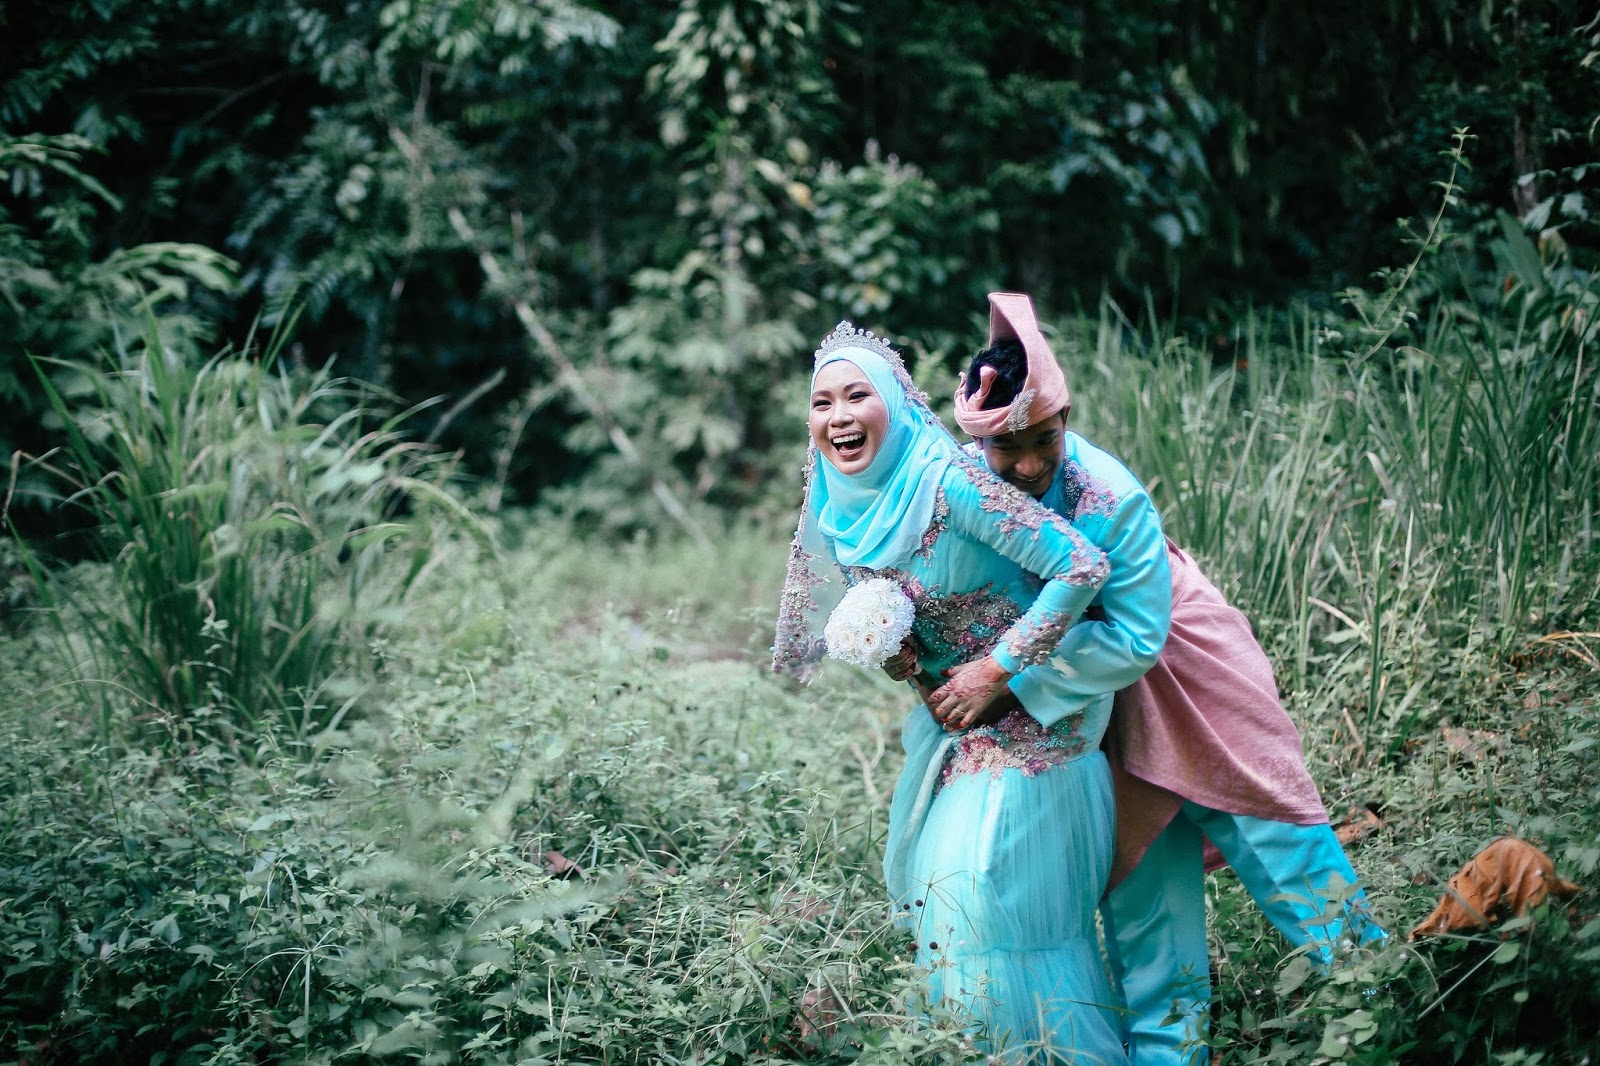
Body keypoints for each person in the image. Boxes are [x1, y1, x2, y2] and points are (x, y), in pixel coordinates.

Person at [944, 292, 1385, 1066]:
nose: (1030, 464)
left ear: (1066, 418)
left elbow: (1138, 638)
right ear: (977, 438)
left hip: (1187, 671)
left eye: (1045, 440)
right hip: (1096, 707)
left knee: (1286, 854)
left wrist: (1007, 678)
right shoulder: (968, 486)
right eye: (1007, 447)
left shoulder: (1110, 496)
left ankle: (1391, 1005)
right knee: (1145, 909)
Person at [774, 321, 1129, 1064]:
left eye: (857, 395)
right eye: (822, 402)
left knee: (976, 893)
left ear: (897, 403)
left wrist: (997, 669)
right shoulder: (843, 513)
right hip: (962, 729)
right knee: (948, 905)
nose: (838, 416)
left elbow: (1081, 566)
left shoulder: (950, 483)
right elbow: (917, 619)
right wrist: (903, 655)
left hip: (1040, 711)